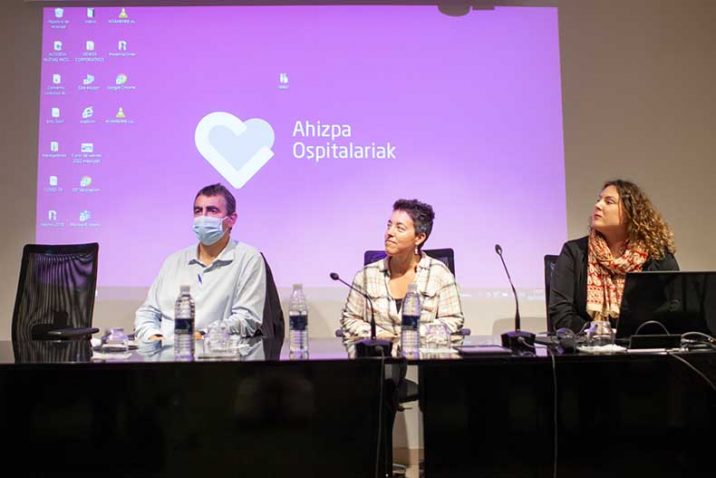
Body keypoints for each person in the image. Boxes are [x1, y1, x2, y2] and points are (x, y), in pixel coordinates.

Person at [134, 183, 266, 342]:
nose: (203, 217)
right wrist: (154, 336)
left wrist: (202, 335)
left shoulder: (248, 258)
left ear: (231, 219)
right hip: (165, 354)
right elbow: (148, 312)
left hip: (214, 355)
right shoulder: (174, 261)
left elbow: (246, 319)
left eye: (212, 211)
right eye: (198, 211)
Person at [549, 179, 678, 333]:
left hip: (642, 350)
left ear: (631, 213)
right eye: (599, 200)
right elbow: (561, 314)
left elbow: (673, 310)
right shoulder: (574, 252)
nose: (598, 205)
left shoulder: (657, 256)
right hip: (588, 349)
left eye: (608, 202)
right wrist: (598, 333)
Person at [340, 198, 464, 355]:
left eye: (400, 228)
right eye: (389, 225)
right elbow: (350, 320)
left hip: (426, 364)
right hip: (378, 365)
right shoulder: (366, 276)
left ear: (419, 238)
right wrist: (381, 336)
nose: (389, 233)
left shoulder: (440, 274)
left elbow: (452, 322)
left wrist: (409, 337)